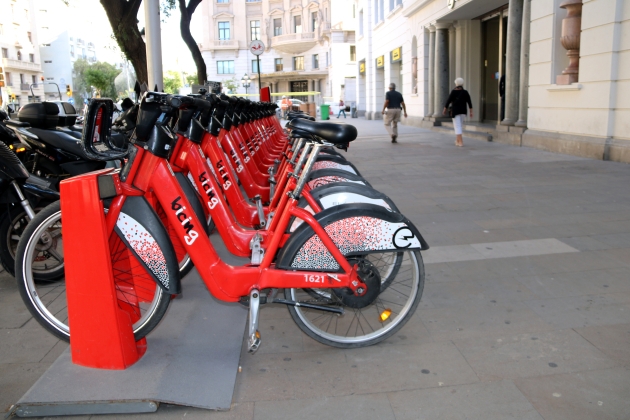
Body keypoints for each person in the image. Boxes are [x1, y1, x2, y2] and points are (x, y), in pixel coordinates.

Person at [443, 78, 473, 147]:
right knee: (459, 125)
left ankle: (461, 142)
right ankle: (457, 140)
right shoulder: (465, 92)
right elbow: (469, 102)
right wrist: (471, 112)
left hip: (455, 111)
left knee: (457, 126)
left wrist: (445, 109)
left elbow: (448, 101)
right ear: (462, 84)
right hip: (463, 111)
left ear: (456, 84)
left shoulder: (453, 92)